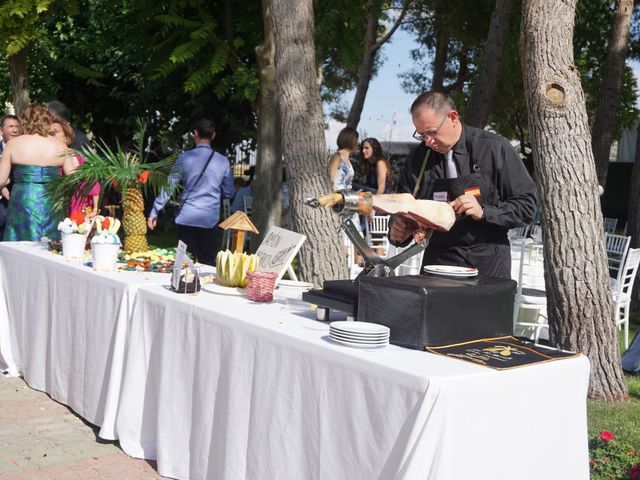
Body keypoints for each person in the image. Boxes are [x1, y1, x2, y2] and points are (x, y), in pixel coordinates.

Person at [389, 91, 537, 279]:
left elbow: (528, 205)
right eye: (421, 135)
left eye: (432, 132)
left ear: (453, 117)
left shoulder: (494, 148)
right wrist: (398, 228)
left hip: (488, 263)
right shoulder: (418, 159)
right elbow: (404, 206)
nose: (428, 142)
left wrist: (484, 211)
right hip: (438, 262)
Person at [147, 118, 234, 265]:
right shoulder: (223, 162)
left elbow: (169, 186)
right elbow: (228, 192)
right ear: (213, 136)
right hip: (209, 219)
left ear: (195, 133)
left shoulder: (184, 158)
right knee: (207, 263)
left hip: (187, 216)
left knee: (184, 263)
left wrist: (154, 211)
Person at [0, 104, 76, 241]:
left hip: (23, 200)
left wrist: (14, 178)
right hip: (51, 201)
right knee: (50, 246)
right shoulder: (60, 145)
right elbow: (73, 179)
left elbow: (1, 180)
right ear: (47, 121)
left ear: (24, 121)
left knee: (19, 246)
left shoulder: (14, 144)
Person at [49, 120, 101, 217]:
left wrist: (95, 208)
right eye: (49, 133)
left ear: (66, 137)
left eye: (55, 132)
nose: (52, 135)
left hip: (76, 206)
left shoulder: (72, 155)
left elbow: (91, 182)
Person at [0, 115, 19, 239]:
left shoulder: (23, 149)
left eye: (17, 126)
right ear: (1, 130)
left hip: (18, 201)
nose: (15, 130)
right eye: (10, 126)